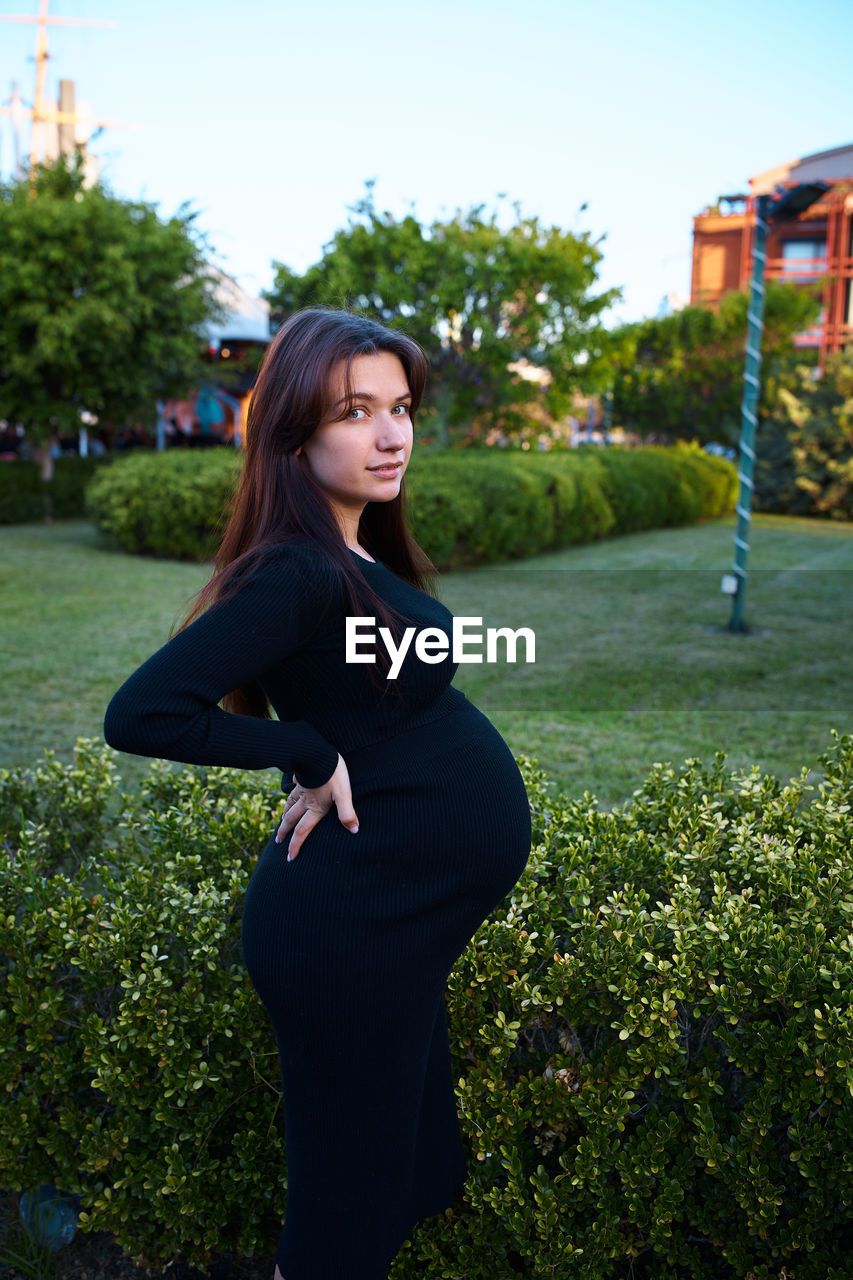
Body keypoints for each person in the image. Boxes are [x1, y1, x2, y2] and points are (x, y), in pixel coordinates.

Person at [103, 308, 532, 1280]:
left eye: (402, 407)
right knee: (342, 1211)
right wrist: (300, 746)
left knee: (391, 1171)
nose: (393, 435)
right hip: (350, 932)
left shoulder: (357, 551)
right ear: (292, 431)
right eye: (356, 412)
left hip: (398, 927)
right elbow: (143, 712)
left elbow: (368, 691)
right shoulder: (294, 570)